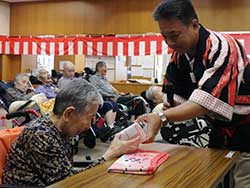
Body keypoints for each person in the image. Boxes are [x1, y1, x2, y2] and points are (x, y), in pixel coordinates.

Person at [136, 1, 250, 187]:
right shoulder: (179, 56)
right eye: (164, 37)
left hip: (245, 126)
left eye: (174, 35)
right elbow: (173, 99)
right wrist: (157, 116)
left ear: (195, 25)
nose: (170, 43)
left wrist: (162, 117)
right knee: (217, 176)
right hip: (218, 128)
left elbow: (205, 101)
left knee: (242, 181)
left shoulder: (222, 46)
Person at [3, 79, 140, 186]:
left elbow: (65, 175)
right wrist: (109, 154)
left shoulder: (58, 128)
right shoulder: (41, 136)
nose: (91, 123)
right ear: (68, 113)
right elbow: (69, 184)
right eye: (90, 117)